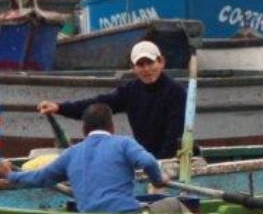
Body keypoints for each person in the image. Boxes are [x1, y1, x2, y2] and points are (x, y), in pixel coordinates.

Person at [0, 102, 167, 214]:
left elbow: (40, 178)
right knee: (174, 204)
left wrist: (10, 175)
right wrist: (158, 180)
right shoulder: (124, 143)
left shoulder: (71, 153)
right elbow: (148, 162)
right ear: (112, 127)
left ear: (84, 129)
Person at [36, 40, 186, 159]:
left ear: (161, 62)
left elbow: (174, 135)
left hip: (173, 160)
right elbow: (95, 105)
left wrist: (159, 165)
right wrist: (59, 108)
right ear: (133, 68)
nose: (146, 69)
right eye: (140, 64)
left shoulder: (176, 92)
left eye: (150, 63)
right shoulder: (130, 91)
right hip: (146, 158)